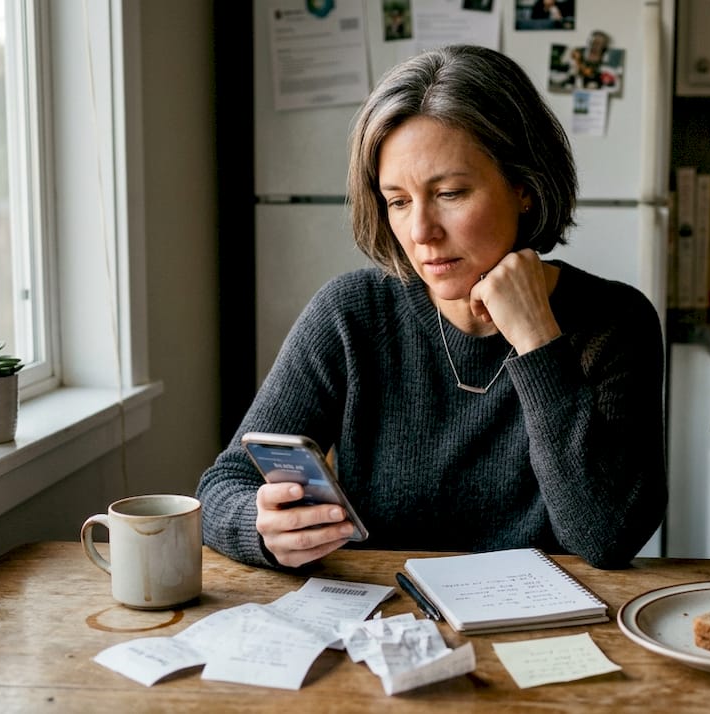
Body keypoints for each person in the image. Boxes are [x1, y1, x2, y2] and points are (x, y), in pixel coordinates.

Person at [196, 44, 666, 571]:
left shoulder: (616, 322)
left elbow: (606, 538)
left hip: (542, 638)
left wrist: (537, 340)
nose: (420, 233)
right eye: (398, 201)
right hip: (384, 633)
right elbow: (222, 487)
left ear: (524, 188)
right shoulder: (351, 313)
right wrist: (262, 528)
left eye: (450, 193)